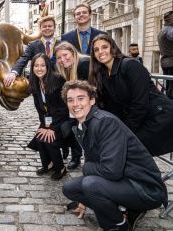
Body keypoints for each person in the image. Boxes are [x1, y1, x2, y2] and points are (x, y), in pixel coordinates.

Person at [61, 80, 167, 231]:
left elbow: (111, 171)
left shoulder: (104, 122)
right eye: (70, 100)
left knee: (90, 184)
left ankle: (118, 226)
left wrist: (87, 167)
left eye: (80, 98)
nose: (75, 104)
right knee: (70, 188)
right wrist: (85, 198)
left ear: (92, 100)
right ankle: (122, 211)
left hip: (145, 188)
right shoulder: (82, 124)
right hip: (123, 180)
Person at [89, 34, 173, 156]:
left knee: (130, 149)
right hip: (142, 118)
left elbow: (141, 104)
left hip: (160, 117)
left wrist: (125, 130)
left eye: (104, 47)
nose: (100, 52)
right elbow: (111, 106)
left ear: (112, 48)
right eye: (96, 50)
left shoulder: (130, 65)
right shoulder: (102, 73)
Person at [28, 54, 67, 180]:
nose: (39, 68)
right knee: (40, 136)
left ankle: (60, 167)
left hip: (64, 119)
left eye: (42, 65)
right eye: (36, 65)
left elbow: (63, 109)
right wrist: (44, 126)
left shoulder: (57, 80)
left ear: (48, 66)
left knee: (49, 139)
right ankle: (48, 164)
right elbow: (40, 109)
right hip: (49, 118)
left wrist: (52, 128)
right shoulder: (35, 82)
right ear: (32, 67)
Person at [54, 41, 89, 169]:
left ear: (73, 52)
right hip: (75, 106)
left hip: (88, 105)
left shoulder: (84, 63)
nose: (62, 59)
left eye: (65, 55)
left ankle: (91, 160)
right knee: (75, 130)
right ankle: (76, 157)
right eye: (59, 58)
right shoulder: (65, 70)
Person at [4, 15, 59, 87]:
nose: (47, 28)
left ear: (54, 28)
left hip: (58, 83)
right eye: (44, 26)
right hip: (38, 85)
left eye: (50, 26)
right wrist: (14, 72)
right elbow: (23, 59)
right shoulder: (33, 45)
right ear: (40, 29)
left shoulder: (62, 44)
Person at [158, 10, 173, 99]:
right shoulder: (170, 30)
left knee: (168, 86)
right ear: (171, 19)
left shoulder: (162, 30)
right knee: (171, 88)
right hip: (171, 62)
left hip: (165, 62)